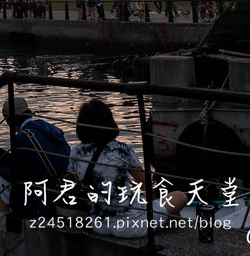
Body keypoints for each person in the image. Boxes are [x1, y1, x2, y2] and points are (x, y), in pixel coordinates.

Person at [67, 99, 187, 238]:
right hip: (130, 226)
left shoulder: (76, 151)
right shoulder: (122, 149)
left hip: (98, 224)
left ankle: (164, 222)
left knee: (165, 213)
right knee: (180, 196)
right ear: (110, 122)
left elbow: (74, 184)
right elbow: (147, 184)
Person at [0, 97, 70, 235]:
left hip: (38, 200)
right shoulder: (50, 128)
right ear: (30, 112)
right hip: (58, 189)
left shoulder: (22, 138)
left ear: (8, 121)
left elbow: (14, 176)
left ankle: (4, 225)